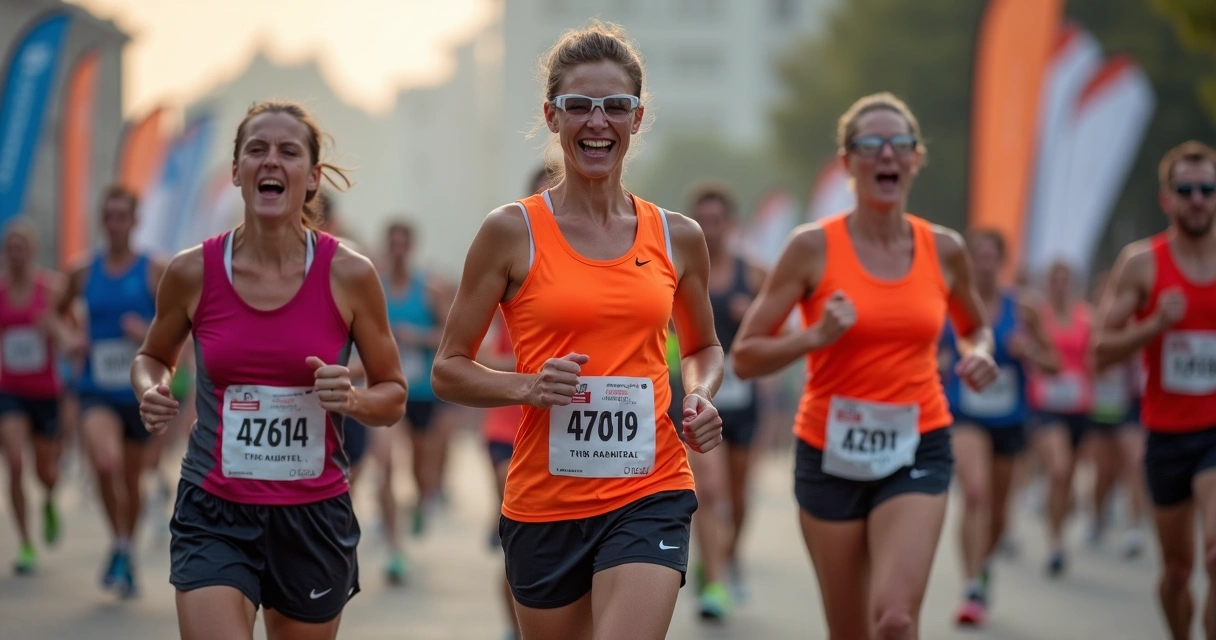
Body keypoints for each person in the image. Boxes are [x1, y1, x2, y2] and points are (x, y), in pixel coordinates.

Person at [431, 21, 724, 640]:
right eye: (579, 106)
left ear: (637, 119)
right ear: (551, 116)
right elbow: (449, 368)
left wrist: (699, 392)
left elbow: (702, 346)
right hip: (546, 502)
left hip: (652, 488)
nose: (598, 121)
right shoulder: (510, 232)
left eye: (616, 106)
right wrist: (527, 388)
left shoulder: (678, 236)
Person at [131, 100, 407, 640]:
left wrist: (350, 399)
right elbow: (151, 356)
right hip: (214, 509)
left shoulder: (350, 274)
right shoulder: (192, 271)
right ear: (236, 171)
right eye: (256, 150)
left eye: (288, 151)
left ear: (311, 177)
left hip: (312, 515)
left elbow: (393, 394)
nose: (271, 161)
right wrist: (152, 386)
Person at [731, 92, 998, 640]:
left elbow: (973, 327)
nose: (887, 155)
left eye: (901, 144)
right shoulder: (810, 248)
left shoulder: (944, 249)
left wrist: (979, 356)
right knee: (850, 629)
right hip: (829, 451)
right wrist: (814, 336)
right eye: (871, 144)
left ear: (916, 159)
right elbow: (746, 354)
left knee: (896, 620)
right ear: (848, 161)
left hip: (917, 442)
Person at [1093, 140, 1216, 640]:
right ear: (1167, 199)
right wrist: (1153, 326)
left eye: (1207, 189)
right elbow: (1100, 350)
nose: (1197, 199)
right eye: (1185, 190)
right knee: (1178, 572)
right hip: (1165, 436)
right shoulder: (1141, 263)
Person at [938, 229, 1058, 627]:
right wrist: (937, 363)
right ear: (968, 261)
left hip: (1010, 420)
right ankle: (972, 586)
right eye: (978, 256)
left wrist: (1032, 352)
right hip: (965, 415)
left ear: (1001, 261)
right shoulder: (949, 306)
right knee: (975, 493)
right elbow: (930, 353)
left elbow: (1055, 365)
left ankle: (983, 564)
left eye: (992, 256)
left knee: (1000, 513)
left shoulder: (1024, 308)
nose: (984, 264)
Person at [51, 184, 164, 598]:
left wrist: (147, 332)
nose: (114, 224)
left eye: (122, 216)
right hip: (96, 387)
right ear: (102, 221)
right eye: (108, 216)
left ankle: (123, 547)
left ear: (134, 222)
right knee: (104, 462)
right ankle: (120, 542)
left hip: (139, 390)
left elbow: (181, 324)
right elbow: (54, 312)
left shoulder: (154, 270)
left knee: (132, 481)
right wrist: (68, 336)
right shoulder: (83, 271)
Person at [380, 219, 456, 536]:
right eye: (392, 244)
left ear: (411, 247)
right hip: (385, 386)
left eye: (403, 244)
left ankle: (422, 500)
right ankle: (390, 520)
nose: (398, 251)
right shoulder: (375, 287)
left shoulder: (428, 290)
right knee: (386, 458)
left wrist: (416, 336)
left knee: (418, 462)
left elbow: (450, 336)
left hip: (422, 389)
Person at [0, 218, 67, 574]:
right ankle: (25, 543)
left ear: (32, 251)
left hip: (45, 393)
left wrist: (56, 329)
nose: (14, 254)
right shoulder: (0, 293)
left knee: (46, 472)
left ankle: (50, 499)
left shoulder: (51, 289)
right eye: (9, 247)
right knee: (13, 461)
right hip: (9, 390)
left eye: (20, 247)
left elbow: (73, 329)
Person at [1027, 260, 1094, 577]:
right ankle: (1054, 543)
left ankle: (1059, 534)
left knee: (1068, 479)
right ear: (1047, 283)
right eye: (1056, 280)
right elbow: (1026, 349)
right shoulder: (1038, 316)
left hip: (1079, 405)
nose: (1061, 285)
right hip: (1046, 403)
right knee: (1059, 468)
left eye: (1066, 280)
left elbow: (1094, 357)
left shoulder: (1086, 317)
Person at [1085, 268, 1148, 559]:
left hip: (1129, 404)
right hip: (1099, 406)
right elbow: (1086, 362)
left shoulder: (1137, 323)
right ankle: (1097, 517)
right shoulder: (1091, 324)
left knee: (1135, 462)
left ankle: (1135, 527)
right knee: (1105, 471)